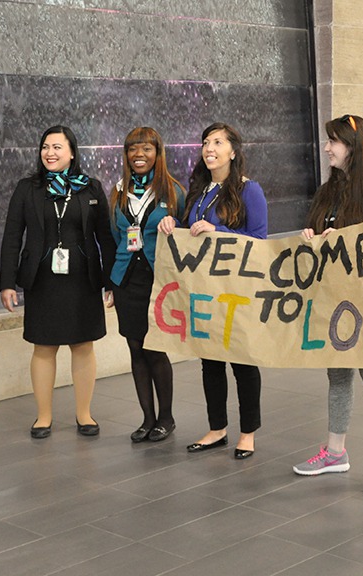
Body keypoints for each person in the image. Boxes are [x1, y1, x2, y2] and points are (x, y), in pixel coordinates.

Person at [291, 114, 363, 497]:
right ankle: (335, 451)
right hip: (333, 301)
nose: (326, 148)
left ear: (354, 146)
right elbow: (318, 240)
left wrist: (348, 242)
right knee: (337, 375)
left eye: (333, 142)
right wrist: (310, 236)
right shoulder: (329, 191)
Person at [157, 122, 267, 460]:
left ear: (233, 151)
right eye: (206, 142)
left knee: (242, 363)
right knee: (210, 361)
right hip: (204, 292)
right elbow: (190, 233)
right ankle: (217, 428)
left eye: (218, 142)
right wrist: (173, 223)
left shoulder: (250, 191)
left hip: (236, 291)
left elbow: (260, 242)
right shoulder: (199, 190)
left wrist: (217, 230)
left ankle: (247, 433)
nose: (210, 148)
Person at [0, 125, 116, 439]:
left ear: (72, 152)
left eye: (57, 147)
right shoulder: (27, 188)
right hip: (42, 279)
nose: (49, 153)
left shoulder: (91, 188)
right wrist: (7, 282)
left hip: (83, 279)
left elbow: (105, 237)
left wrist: (111, 281)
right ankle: (43, 417)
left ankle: (84, 414)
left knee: (83, 345)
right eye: (45, 147)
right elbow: (12, 237)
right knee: (44, 346)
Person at [109, 127, 185, 443]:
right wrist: (109, 285)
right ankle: (147, 418)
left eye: (146, 149)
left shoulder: (173, 191)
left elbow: (185, 235)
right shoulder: (117, 192)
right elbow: (112, 237)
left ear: (158, 153)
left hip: (159, 281)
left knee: (155, 349)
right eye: (133, 149)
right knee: (135, 348)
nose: (139, 155)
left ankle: (166, 418)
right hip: (126, 280)